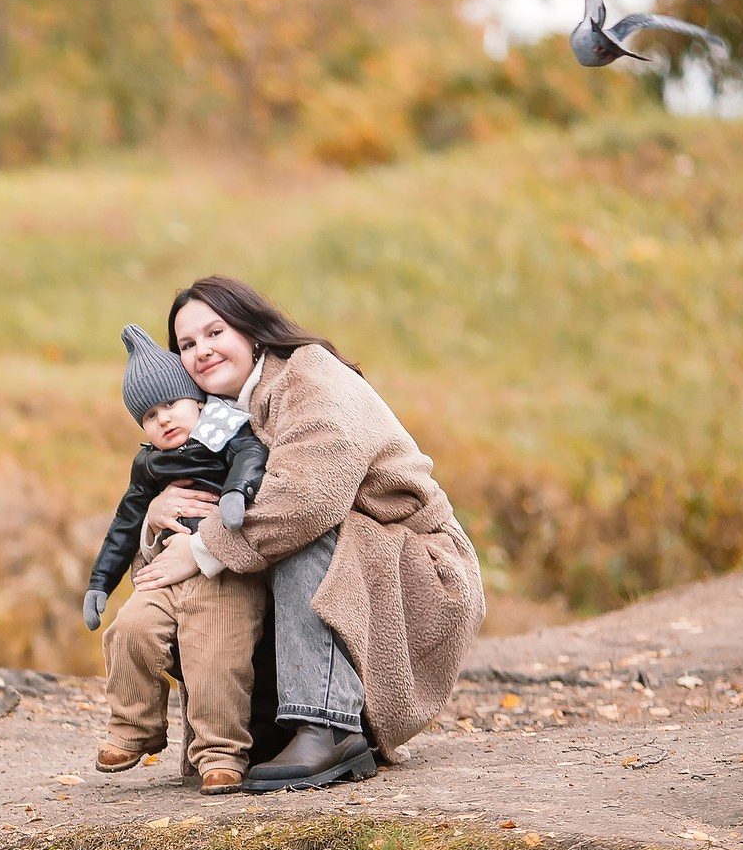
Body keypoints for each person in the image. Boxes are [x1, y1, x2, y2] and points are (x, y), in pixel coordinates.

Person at [129, 276, 484, 791]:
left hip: (412, 565)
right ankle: (238, 733)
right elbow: (181, 530)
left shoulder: (309, 374)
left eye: (214, 332)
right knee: (217, 559)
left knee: (295, 529)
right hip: (355, 567)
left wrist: (203, 547)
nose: (202, 351)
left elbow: (310, 499)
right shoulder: (212, 423)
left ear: (251, 331)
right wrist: (159, 516)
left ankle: (327, 724)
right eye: (186, 345)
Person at [86, 324, 271, 795]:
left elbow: (253, 457)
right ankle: (134, 729)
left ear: (197, 401)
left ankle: (221, 754)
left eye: (172, 404)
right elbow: (125, 525)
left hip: (225, 576)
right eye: (149, 415)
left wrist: (234, 494)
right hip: (165, 575)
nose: (164, 420)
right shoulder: (149, 464)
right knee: (129, 631)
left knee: (216, 659)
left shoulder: (227, 433)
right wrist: (100, 583)